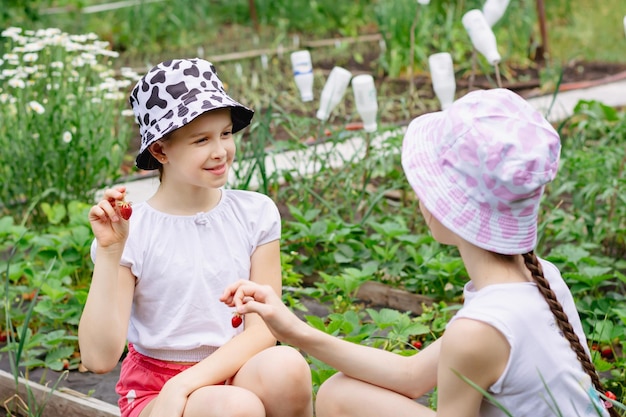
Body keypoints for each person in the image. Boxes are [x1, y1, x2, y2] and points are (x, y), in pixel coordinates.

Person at [221, 88, 617, 417]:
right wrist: (295, 329)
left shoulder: (478, 332)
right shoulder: (540, 276)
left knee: (341, 399)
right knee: (340, 394)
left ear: (448, 206)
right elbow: (412, 375)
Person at [78, 58, 314, 417]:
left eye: (225, 133)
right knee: (237, 408)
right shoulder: (133, 230)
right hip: (156, 392)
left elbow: (263, 329)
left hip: (231, 370)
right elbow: (98, 358)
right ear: (160, 150)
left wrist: (186, 383)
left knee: (288, 366)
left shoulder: (254, 213)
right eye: (201, 139)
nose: (220, 150)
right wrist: (111, 252)